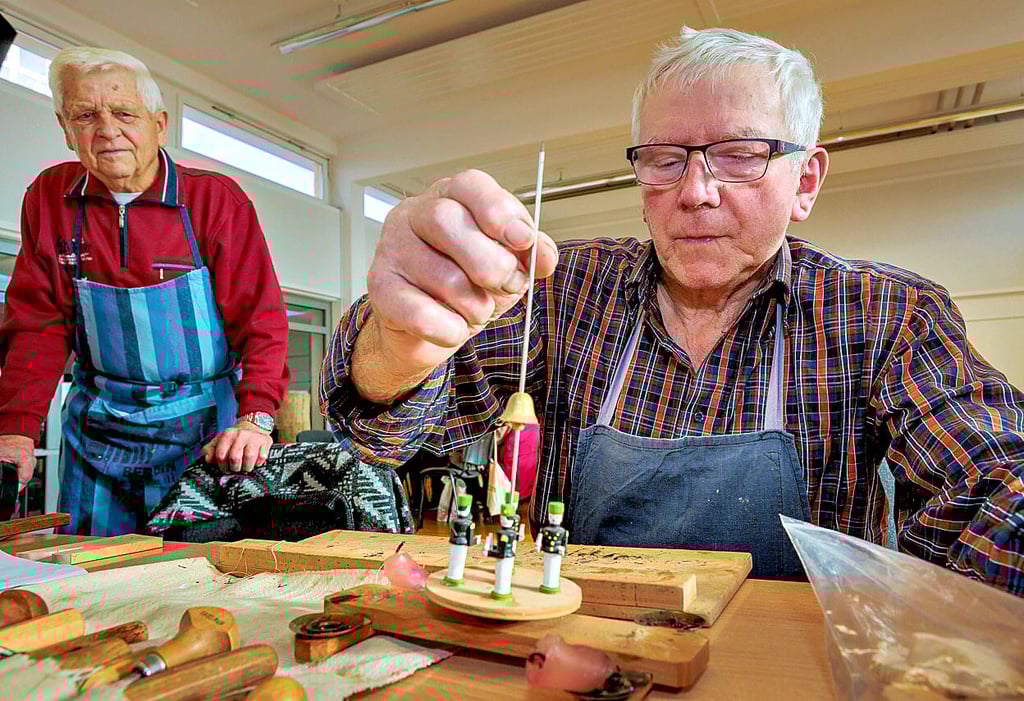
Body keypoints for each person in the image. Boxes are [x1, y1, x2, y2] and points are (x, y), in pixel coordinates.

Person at [320, 26, 1024, 591]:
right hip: (578, 653)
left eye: (741, 155)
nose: (696, 192)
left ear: (805, 180)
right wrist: (398, 344)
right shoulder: (568, 292)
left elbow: (994, 481)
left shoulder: (883, 315)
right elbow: (385, 434)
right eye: (665, 158)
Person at [0, 47, 290, 536]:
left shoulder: (215, 201)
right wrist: (16, 427)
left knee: (197, 578)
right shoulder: (48, 198)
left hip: (205, 437)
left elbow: (261, 320)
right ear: (65, 129)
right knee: (89, 578)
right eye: (86, 115)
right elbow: (37, 324)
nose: (107, 129)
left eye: (124, 113)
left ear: (159, 124)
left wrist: (255, 418)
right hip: (99, 435)